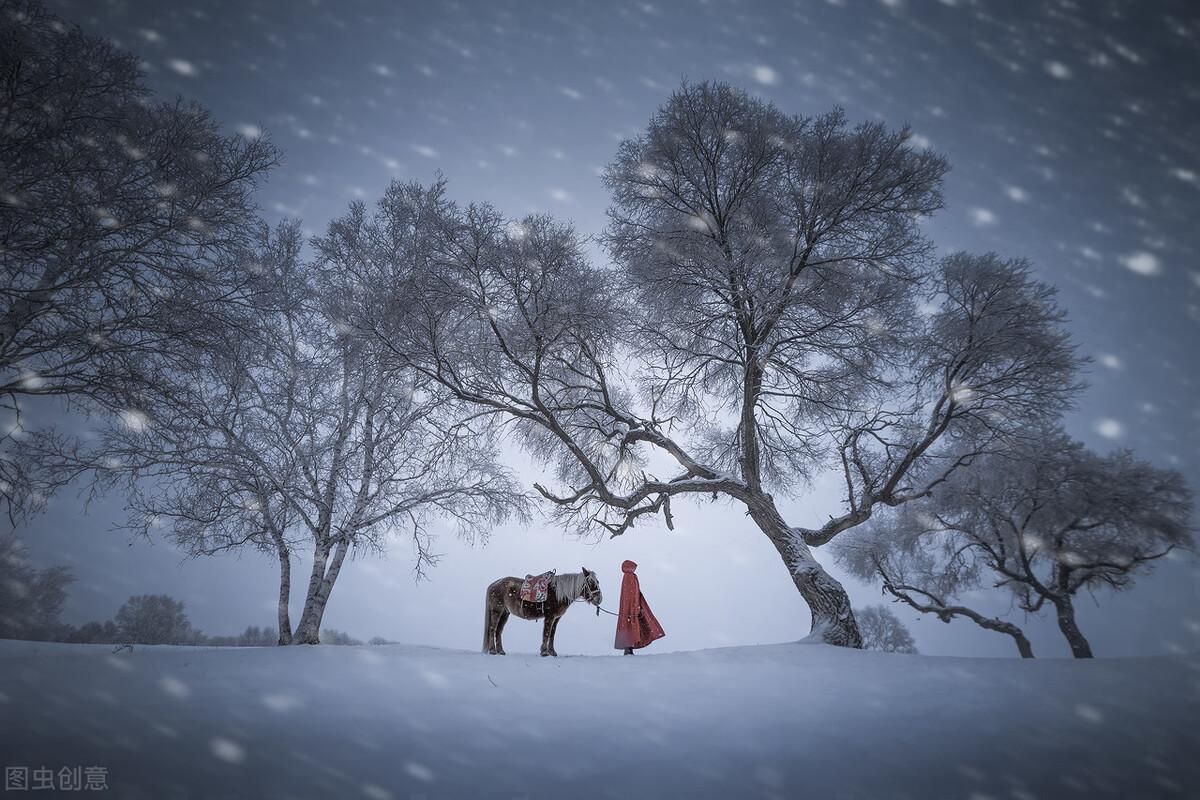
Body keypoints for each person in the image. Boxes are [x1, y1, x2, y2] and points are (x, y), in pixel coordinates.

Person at [614, 560, 665, 655]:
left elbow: (632, 594)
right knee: (632, 625)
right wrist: (635, 607)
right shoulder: (630, 577)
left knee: (630, 625)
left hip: (630, 607)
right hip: (632, 607)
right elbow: (632, 594)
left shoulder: (628, 577)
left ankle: (629, 647)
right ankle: (628, 647)